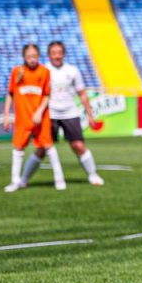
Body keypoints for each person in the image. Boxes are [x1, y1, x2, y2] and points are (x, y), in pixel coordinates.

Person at [2, 43, 66, 192]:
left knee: (48, 146)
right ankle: (15, 181)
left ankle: (59, 179)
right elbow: (10, 94)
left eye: (34, 56)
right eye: (29, 56)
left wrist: (39, 111)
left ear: (39, 56)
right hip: (22, 117)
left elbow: (46, 94)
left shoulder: (44, 71)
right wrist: (6, 114)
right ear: (24, 57)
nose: (32, 59)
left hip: (41, 117)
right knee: (18, 148)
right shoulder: (17, 71)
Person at [47, 41, 104, 186]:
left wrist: (90, 115)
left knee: (78, 145)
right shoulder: (44, 70)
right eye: (54, 53)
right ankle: (22, 180)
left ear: (63, 54)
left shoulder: (72, 70)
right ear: (49, 55)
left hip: (70, 113)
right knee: (42, 148)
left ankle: (92, 175)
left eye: (59, 53)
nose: (57, 56)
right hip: (50, 114)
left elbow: (82, 94)